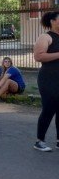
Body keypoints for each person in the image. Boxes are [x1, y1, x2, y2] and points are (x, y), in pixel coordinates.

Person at [32, 11, 59, 152]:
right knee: (49, 109)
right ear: (53, 21)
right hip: (48, 79)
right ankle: (39, 141)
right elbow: (38, 56)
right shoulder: (46, 37)